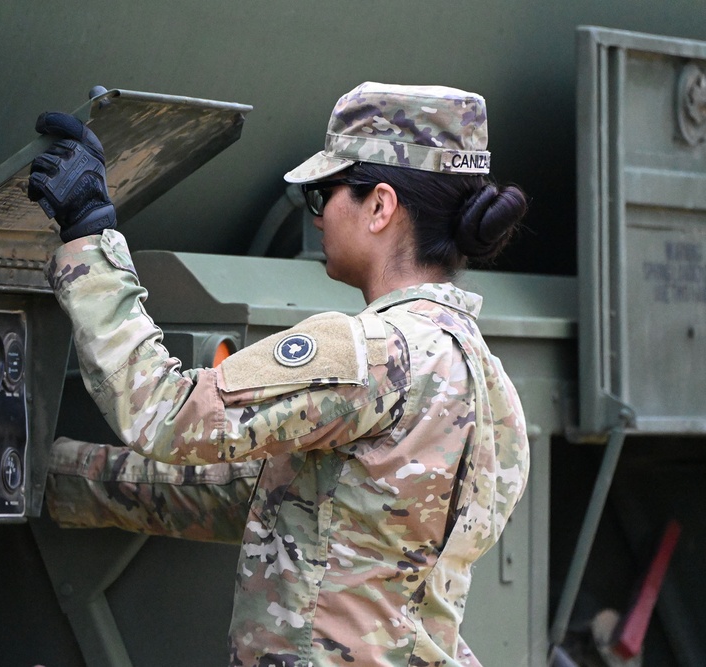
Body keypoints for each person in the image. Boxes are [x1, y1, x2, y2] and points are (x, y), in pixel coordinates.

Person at [28, 82, 531, 667]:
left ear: (381, 206)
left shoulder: (367, 351)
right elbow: (272, 499)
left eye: (322, 194)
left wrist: (88, 234)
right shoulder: (486, 381)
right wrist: (47, 476)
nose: (316, 218)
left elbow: (164, 412)